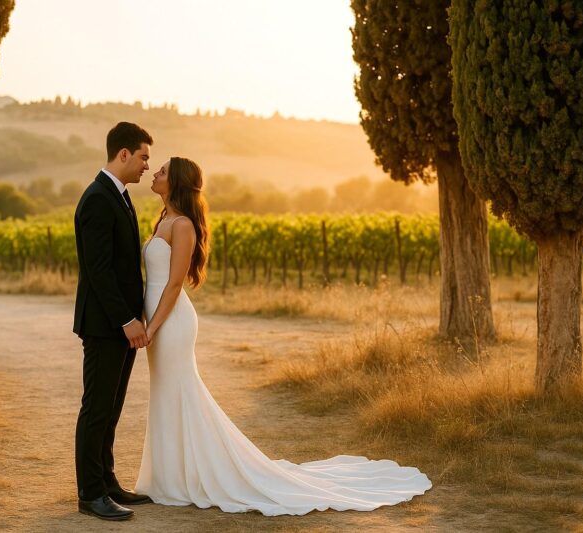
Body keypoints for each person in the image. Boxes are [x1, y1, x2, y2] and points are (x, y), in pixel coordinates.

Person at [135, 156, 432, 515]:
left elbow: (175, 282)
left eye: (163, 170)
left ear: (177, 181)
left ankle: (188, 477)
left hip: (172, 322)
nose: (156, 173)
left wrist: (152, 327)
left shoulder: (181, 225)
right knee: (165, 393)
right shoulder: (163, 219)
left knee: (179, 391)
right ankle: (170, 477)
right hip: (157, 320)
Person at [72, 122, 153, 521]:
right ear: (123, 154)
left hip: (121, 327)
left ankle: (106, 481)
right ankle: (90, 494)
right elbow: (99, 270)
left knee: (113, 407)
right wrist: (126, 319)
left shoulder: (119, 196)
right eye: (142, 157)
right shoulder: (97, 199)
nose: (145, 166)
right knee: (97, 408)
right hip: (106, 325)